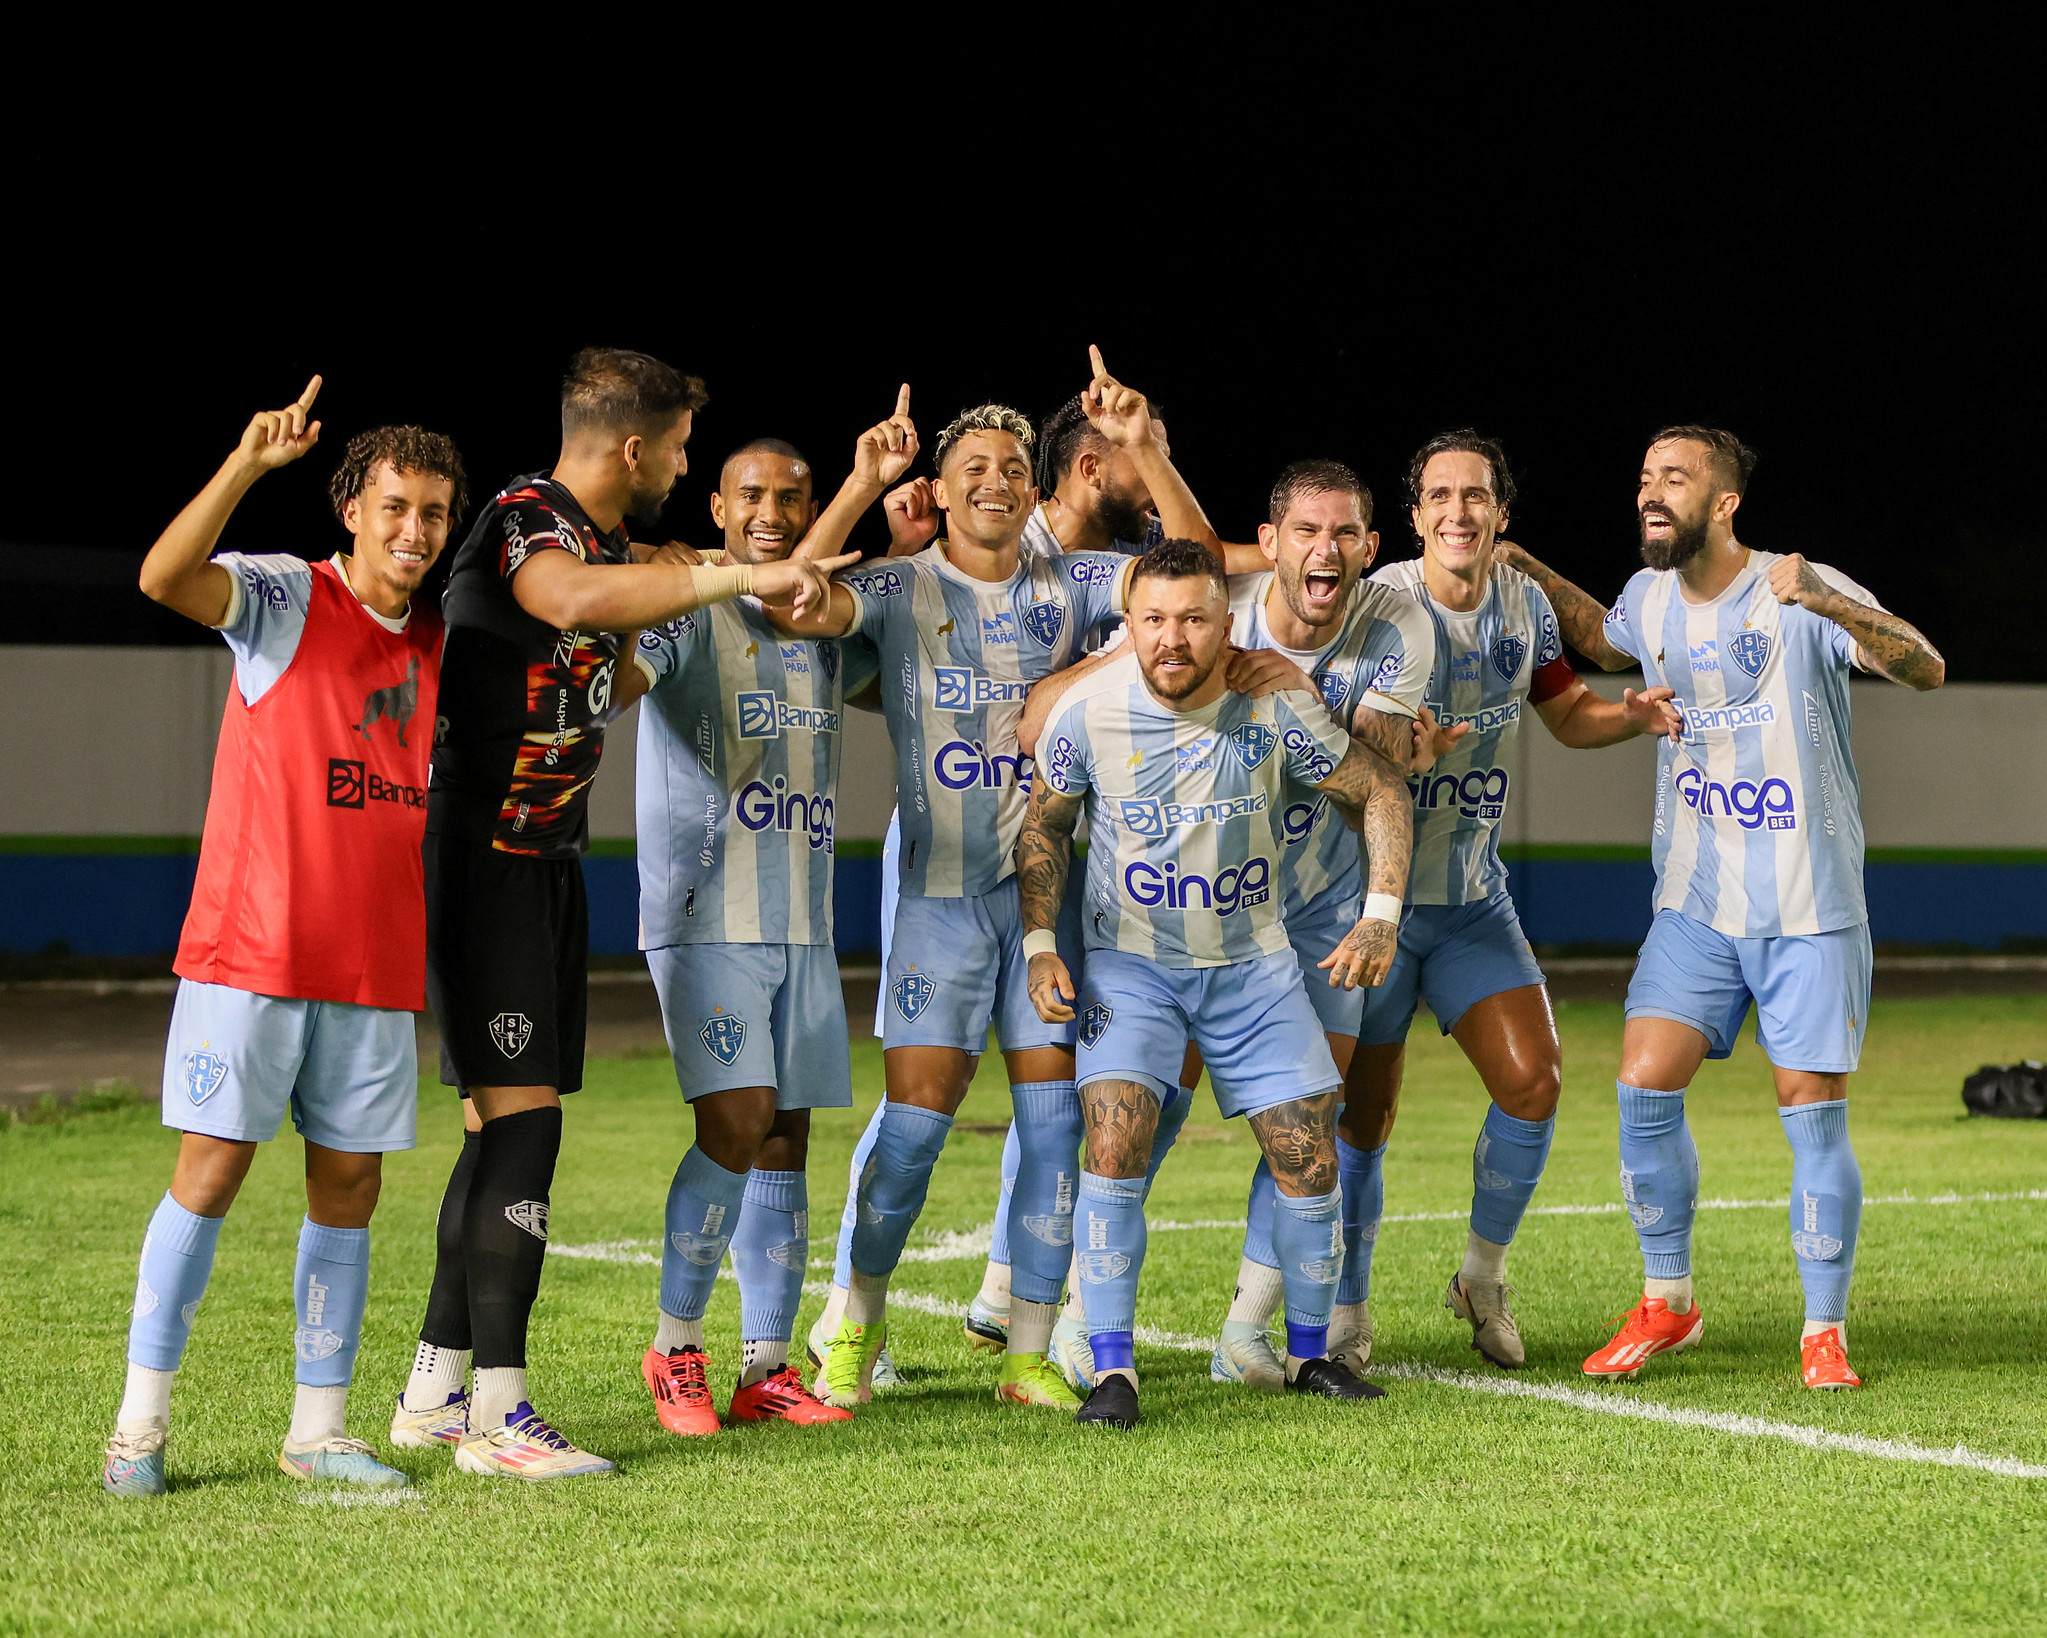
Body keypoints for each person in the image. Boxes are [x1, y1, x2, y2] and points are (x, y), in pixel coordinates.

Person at [390, 348, 848, 1481]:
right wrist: (717, 578)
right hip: (482, 856)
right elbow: (565, 601)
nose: (685, 466)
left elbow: (615, 654)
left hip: (544, 865)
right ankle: (500, 1416)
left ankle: (434, 1391)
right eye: (684, 447)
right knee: (527, 1129)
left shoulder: (608, 548)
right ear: (634, 447)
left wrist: (670, 584)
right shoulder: (524, 518)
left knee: (501, 1132)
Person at [1497, 426, 1944, 1389]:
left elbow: (1923, 667)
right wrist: (1515, 555)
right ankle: (1668, 1302)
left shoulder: (1796, 589)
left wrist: (1823, 597)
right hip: (1692, 903)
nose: (1651, 494)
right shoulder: (1650, 594)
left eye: (1674, 479)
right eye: (1645, 478)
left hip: (1807, 905)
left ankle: (1821, 1332)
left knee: (1809, 1112)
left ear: (1725, 501)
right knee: (1641, 1086)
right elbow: (1595, 634)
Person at [105, 379, 465, 1496]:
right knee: (208, 1175)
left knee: (348, 1190)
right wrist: (245, 464)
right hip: (250, 956)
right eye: (397, 507)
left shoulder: (445, 640)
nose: (416, 531)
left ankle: (318, 1432)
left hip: (371, 968)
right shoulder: (283, 597)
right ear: (350, 508)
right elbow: (163, 578)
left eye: (435, 514)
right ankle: (138, 1429)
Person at [768, 399, 1132, 1413]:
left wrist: (1082, 674)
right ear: (944, 481)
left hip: (1047, 903)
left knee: (1053, 1130)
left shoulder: (1080, 582)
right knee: (915, 1131)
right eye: (972, 465)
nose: (994, 482)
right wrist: (856, 484)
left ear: (1035, 484)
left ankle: (1022, 1353)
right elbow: (792, 599)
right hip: (937, 897)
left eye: (1013, 466)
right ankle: (857, 1315)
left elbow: (1188, 581)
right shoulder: (899, 585)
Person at [1018, 537, 1414, 1429]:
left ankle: (1311, 1356)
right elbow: (1044, 827)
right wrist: (1043, 941)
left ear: (1222, 623)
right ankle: (1111, 1371)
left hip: (1254, 967)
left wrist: (1380, 912)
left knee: (1309, 1157)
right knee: (1113, 1144)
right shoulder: (1088, 714)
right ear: (1130, 625)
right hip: (1132, 966)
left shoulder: (1271, 707)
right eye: (1153, 619)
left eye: (1193, 619)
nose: (1172, 638)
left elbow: (1381, 788)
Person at [1333, 431, 1680, 1374]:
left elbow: (1565, 710)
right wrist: (1400, 750)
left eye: (1474, 496)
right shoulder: (1377, 607)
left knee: (1533, 1082)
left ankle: (1480, 1278)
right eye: (1438, 495)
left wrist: (1632, 716)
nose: (1456, 511)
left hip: (1472, 901)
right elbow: (1344, 746)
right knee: (1362, 1118)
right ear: (1412, 519)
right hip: (1372, 902)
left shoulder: (1522, 605)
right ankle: (1346, 1306)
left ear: (1500, 514)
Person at [631, 393, 916, 1437]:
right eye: (751, 494)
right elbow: (619, 682)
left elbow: (895, 654)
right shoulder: (682, 606)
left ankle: (763, 1366)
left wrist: (890, 530)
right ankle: (674, 1349)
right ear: (716, 503)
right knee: (737, 1122)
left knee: (786, 1136)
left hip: (800, 918)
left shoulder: (820, 633)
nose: (771, 512)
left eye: (792, 499)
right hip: (708, 917)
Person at [1202, 460, 1436, 1393]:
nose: (1324, 548)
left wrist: (1292, 693)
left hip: (1324, 905)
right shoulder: (1213, 614)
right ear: (1269, 546)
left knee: (1314, 1112)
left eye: (1344, 534)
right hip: (1204, 897)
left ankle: (1248, 1331)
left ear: (1371, 550)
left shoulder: (1396, 625)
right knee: (1144, 1104)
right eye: (1305, 531)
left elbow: (1370, 781)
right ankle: (1067, 1335)